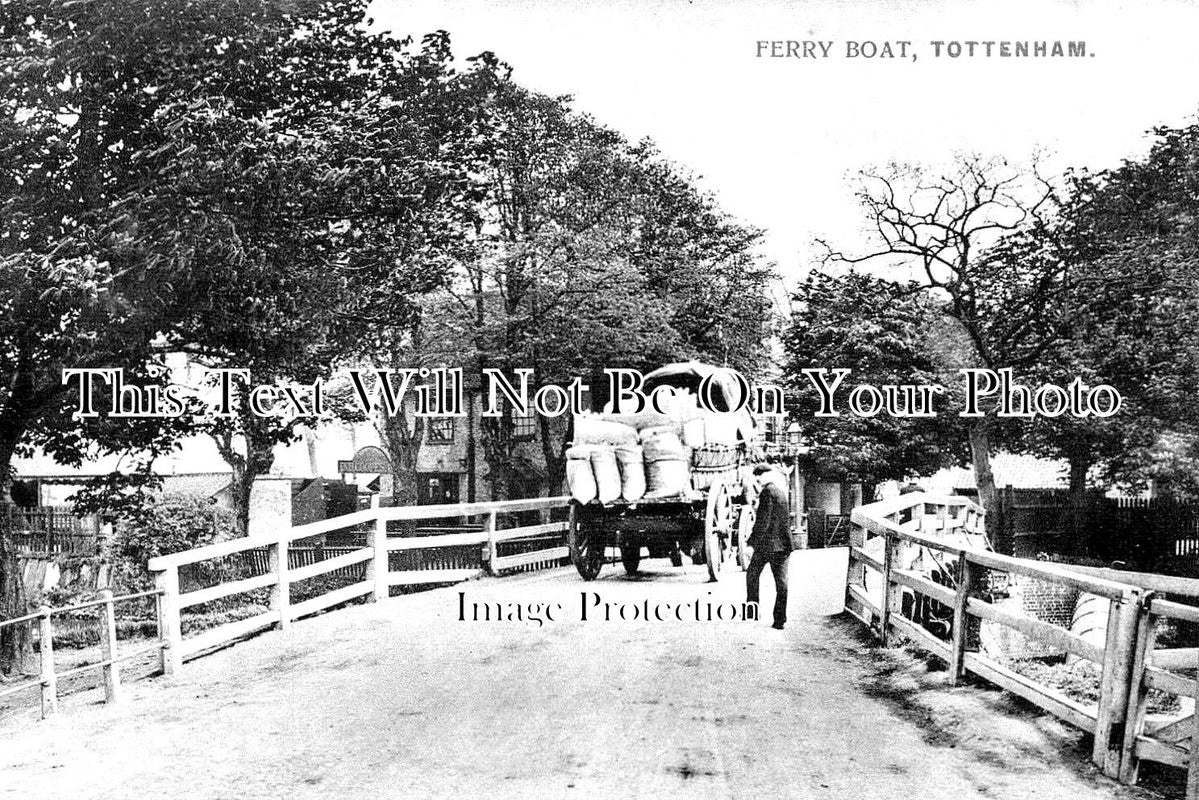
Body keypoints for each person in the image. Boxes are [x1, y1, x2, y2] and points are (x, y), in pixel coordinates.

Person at [746, 464, 792, 630]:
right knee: (781, 583)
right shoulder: (780, 491)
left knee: (752, 575)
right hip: (783, 545)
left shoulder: (767, 492)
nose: (757, 479)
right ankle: (780, 620)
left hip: (767, 546)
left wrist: (751, 543)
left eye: (759, 475)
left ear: (766, 475)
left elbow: (762, 523)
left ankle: (751, 612)